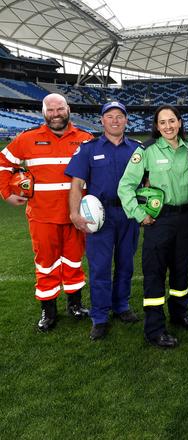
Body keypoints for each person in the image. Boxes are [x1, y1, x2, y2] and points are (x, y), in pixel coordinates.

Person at [0, 93, 92, 331]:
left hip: (76, 215)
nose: (55, 114)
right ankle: (48, 311)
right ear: (43, 113)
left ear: (68, 109)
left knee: (73, 262)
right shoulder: (27, 139)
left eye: (59, 109)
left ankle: (75, 305)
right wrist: (6, 193)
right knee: (46, 264)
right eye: (50, 110)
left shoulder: (86, 139)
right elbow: (3, 163)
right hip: (42, 216)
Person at [118, 105, 188, 348]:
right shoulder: (147, 150)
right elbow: (125, 186)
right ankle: (154, 329)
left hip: (186, 219)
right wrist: (139, 214)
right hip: (158, 221)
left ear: (180, 123)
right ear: (157, 126)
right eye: (162, 122)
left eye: (172, 121)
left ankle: (179, 314)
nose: (168, 126)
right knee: (154, 274)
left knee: (181, 271)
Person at [66, 101, 142, 341]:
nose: (115, 120)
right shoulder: (88, 148)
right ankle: (99, 316)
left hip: (128, 214)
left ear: (126, 120)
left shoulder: (138, 149)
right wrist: (74, 213)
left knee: (125, 263)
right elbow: (76, 184)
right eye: (110, 116)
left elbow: (148, 182)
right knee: (99, 267)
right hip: (99, 216)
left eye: (120, 116)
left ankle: (121, 306)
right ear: (102, 121)